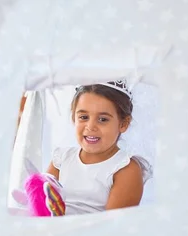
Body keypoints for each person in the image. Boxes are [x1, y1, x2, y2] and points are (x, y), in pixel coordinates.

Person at [46, 80, 151, 215]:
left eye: (102, 119)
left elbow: (112, 226)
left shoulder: (125, 169)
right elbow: (44, 201)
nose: (90, 127)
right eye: (83, 117)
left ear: (123, 124)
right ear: (74, 118)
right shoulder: (61, 159)